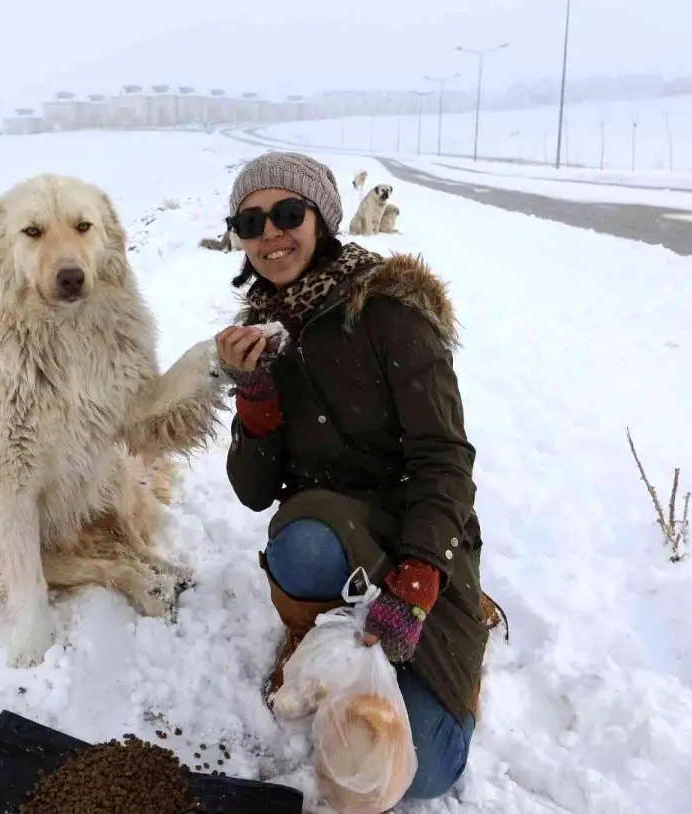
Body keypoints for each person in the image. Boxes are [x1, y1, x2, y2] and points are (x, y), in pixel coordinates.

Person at [214, 151, 501, 801]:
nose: (271, 235)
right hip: (326, 528)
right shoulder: (259, 333)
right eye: (250, 222)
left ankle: (457, 623)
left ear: (323, 218)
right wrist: (254, 395)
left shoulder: (387, 308)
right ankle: (321, 630)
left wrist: (423, 571)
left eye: (288, 214)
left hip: (420, 526)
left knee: (422, 771)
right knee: (301, 538)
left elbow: (445, 459)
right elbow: (254, 493)